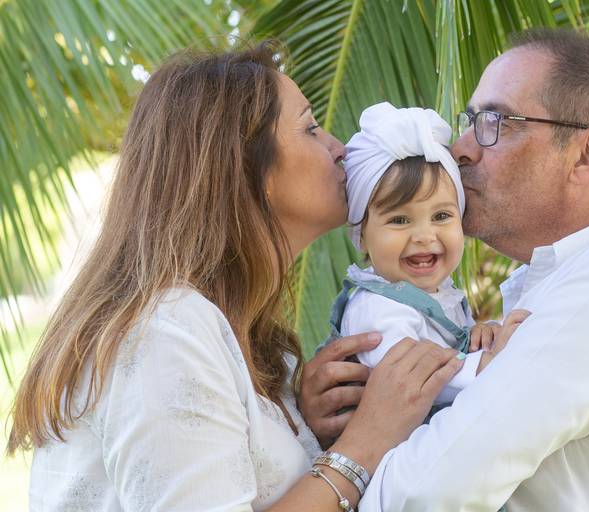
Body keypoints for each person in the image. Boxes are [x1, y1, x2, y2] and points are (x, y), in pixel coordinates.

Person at [7, 43, 467, 511]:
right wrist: (366, 442)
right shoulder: (165, 334)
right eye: (310, 128)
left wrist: (309, 427)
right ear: (245, 166)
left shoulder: (243, 334)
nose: (339, 148)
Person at [355, 28, 589, 511]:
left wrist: (347, 454)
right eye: (470, 121)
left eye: (496, 122)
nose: (461, 149)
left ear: (588, 153)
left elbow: (423, 493)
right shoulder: (579, 275)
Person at [326, 102, 523, 408]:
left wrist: (478, 338)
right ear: (362, 236)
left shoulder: (441, 294)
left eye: (441, 216)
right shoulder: (377, 307)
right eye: (399, 220)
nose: (424, 236)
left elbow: (448, 353)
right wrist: (484, 364)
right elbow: (410, 378)